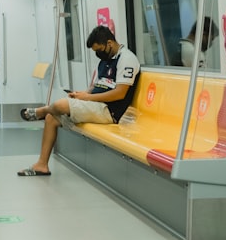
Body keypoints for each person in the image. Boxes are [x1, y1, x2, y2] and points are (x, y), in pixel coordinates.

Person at [17, 26, 139, 176]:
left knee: (60, 105)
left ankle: (41, 110)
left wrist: (88, 98)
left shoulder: (127, 59)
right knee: (51, 118)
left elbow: (120, 93)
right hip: (94, 105)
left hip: (109, 111)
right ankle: (41, 165)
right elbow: (96, 87)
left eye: (99, 50)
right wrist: (82, 94)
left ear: (110, 43)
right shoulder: (104, 61)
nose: (98, 54)